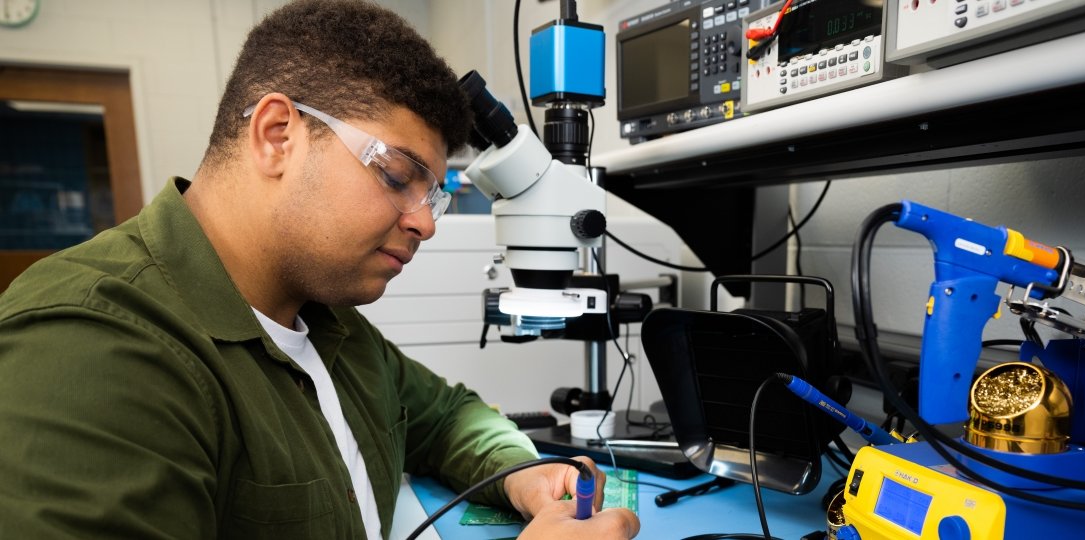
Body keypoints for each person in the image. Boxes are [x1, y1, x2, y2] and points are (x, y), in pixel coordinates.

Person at [0, 1, 640, 539]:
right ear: (278, 134)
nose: (426, 223)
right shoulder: (93, 347)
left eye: (434, 195)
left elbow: (448, 417)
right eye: (397, 177)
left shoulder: (330, 324)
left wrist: (518, 473)